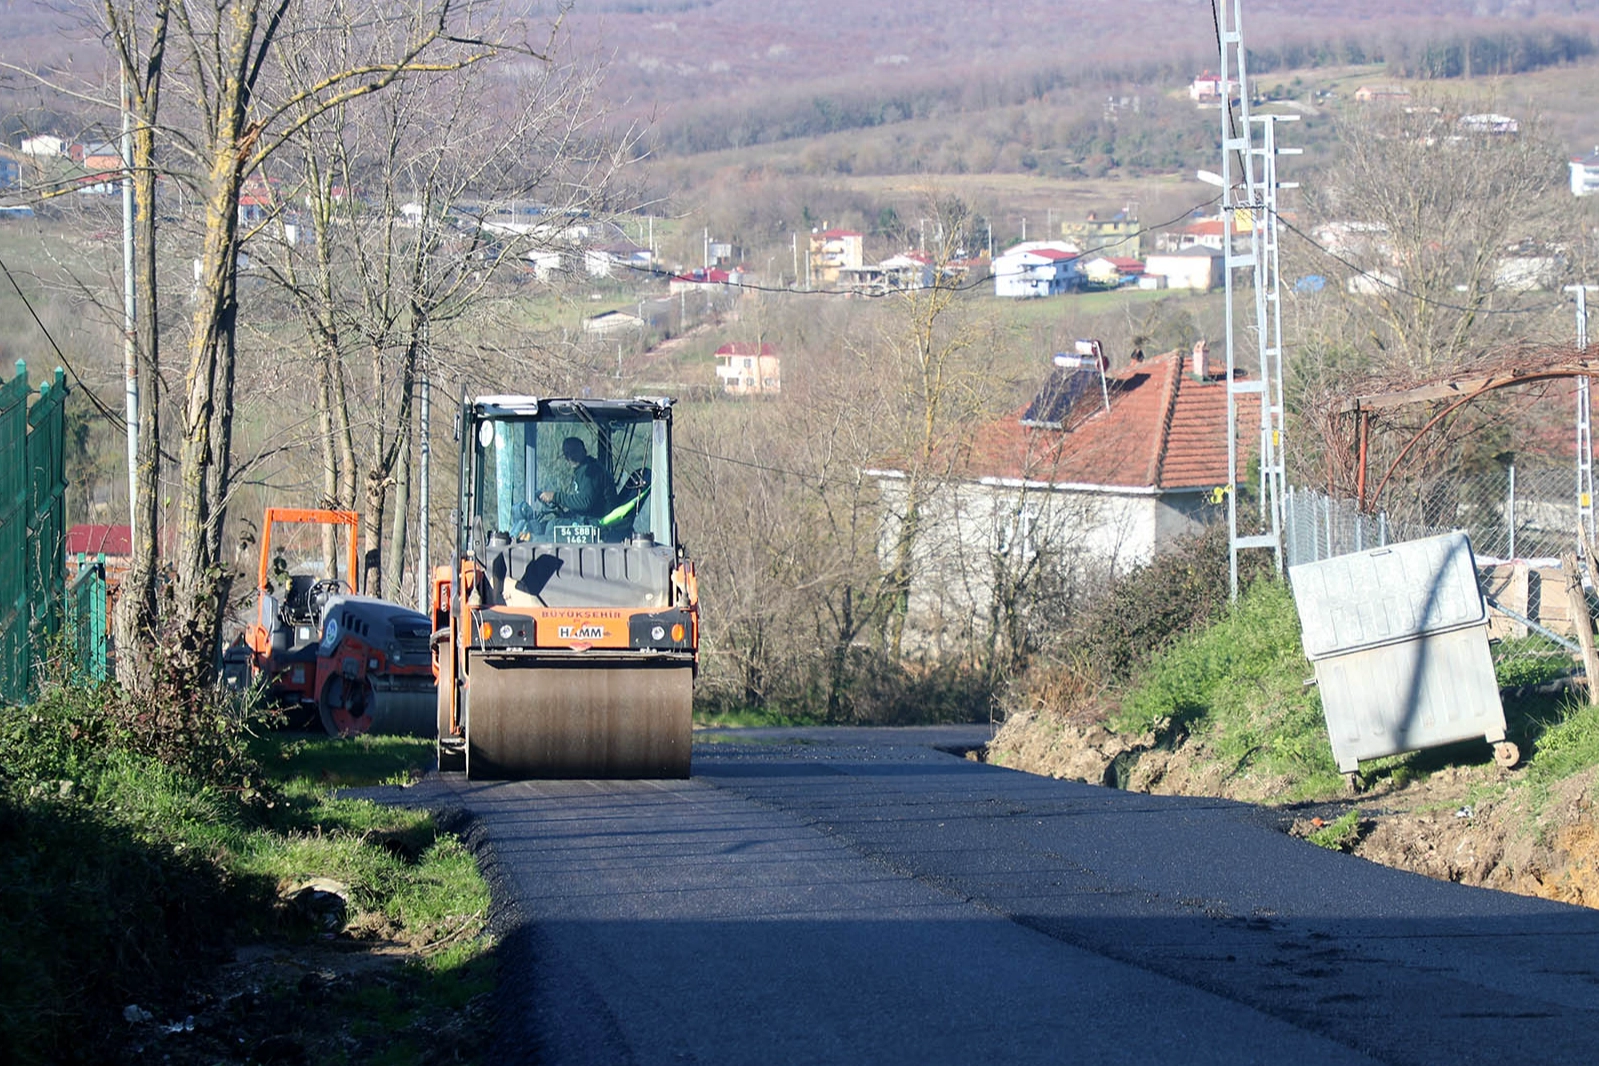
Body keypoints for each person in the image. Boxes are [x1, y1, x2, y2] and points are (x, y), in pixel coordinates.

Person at [533, 436, 612, 531]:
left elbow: (585, 502)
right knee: (543, 526)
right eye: (567, 453)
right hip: (589, 520)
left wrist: (555, 496)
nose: (570, 456)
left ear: (584, 451)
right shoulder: (581, 471)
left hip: (599, 524)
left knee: (553, 526)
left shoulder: (591, 471)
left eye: (574, 451)